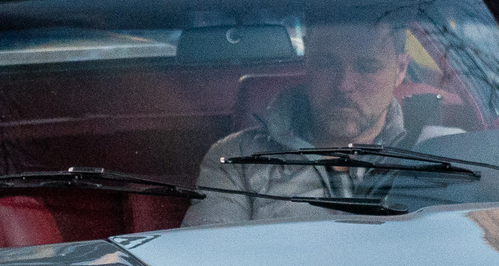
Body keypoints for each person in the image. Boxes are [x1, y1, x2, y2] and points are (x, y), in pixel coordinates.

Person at [183, 18, 427, 226]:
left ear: (401, 69)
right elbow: (211, 263)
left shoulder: (440, 150)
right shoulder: (237, 158)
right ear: (307, 63)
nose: (344, 85)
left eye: (367, 67)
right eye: (327, 63)